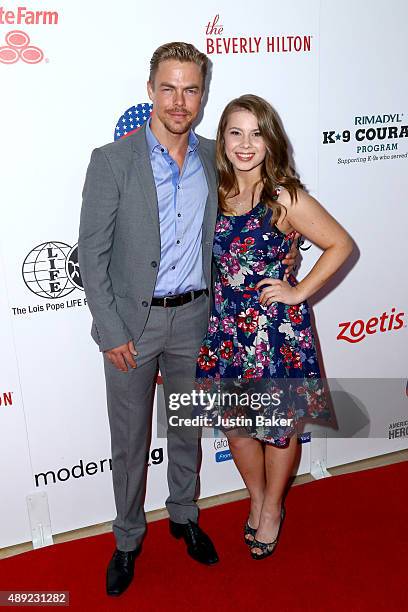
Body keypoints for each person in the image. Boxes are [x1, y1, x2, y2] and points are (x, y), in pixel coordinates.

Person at [78, 42, 301, 594]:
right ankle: (128, 538)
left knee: (184, 431)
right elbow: (91, 254)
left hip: (199, 319)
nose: (180, 101)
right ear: (151, 89)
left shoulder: (215, 158)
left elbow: (253, 218)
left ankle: (184, 516)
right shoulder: (112, 161)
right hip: (133, 325)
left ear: (203, 96)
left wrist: (288, 247)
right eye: (169, 88)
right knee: (130, 442)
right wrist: (110, 332)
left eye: (192, 89)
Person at [196, 94, 353, 560]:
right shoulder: (212, 190)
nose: (246, 144)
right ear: (222, 139)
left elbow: (341, 244)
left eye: (256, 133)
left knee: (278, 428)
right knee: (238, 427)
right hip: (225, 330)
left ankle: (272, 508)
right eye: (235, 132)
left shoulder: (282, 196)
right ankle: (258, 497)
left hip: (274, 335)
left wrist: (298, 290)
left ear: (270, 140)